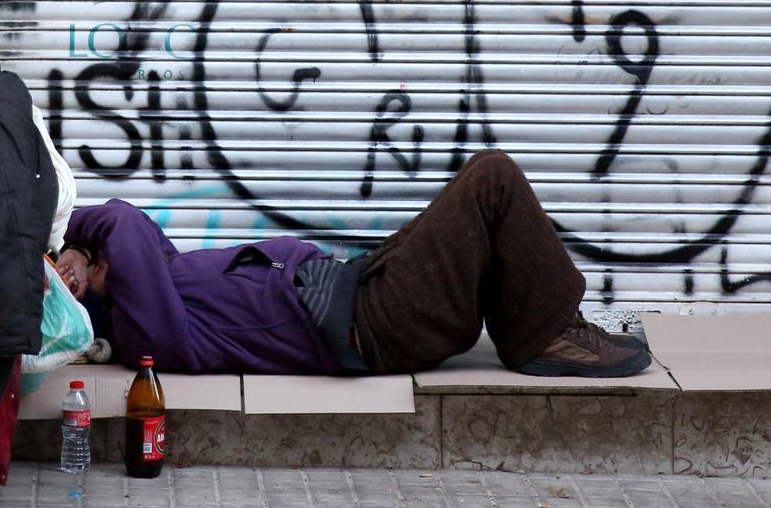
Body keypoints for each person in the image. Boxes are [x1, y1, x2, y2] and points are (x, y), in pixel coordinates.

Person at [55, 150, 651, 378]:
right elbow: (123, 224)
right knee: (491, 177)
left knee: (473, 204)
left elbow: (134, 226)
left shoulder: (159, 277)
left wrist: (73, 247)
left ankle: (541, 324)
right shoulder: (145, 329)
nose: (68, 275)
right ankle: (546, 336)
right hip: (372, 324)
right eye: (61, 286)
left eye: (61, 268)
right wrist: (75, 240)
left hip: (359, 283)